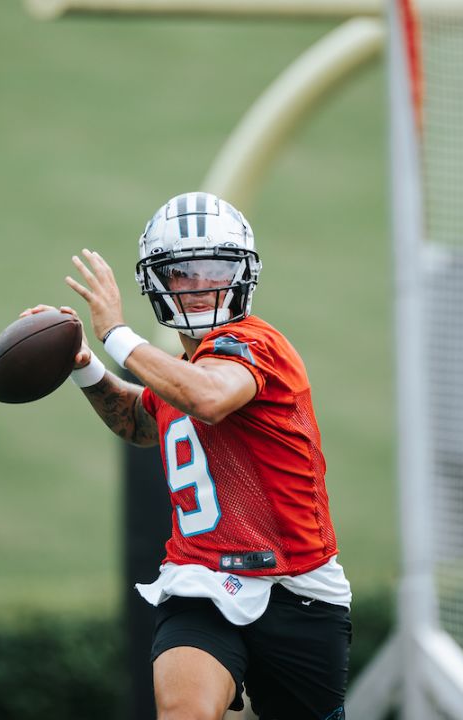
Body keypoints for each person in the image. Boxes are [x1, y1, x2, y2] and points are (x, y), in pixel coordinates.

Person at [22, 192, 350, 720]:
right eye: (183, 273)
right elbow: (140, 420)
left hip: (297, 585)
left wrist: (116, 335)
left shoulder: (257, 346)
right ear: (159, 283)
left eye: (215, 269)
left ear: (243, 273)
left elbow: (209, 397)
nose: (201, 286)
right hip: (200, 579)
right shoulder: (180, 367)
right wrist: (84, 364)